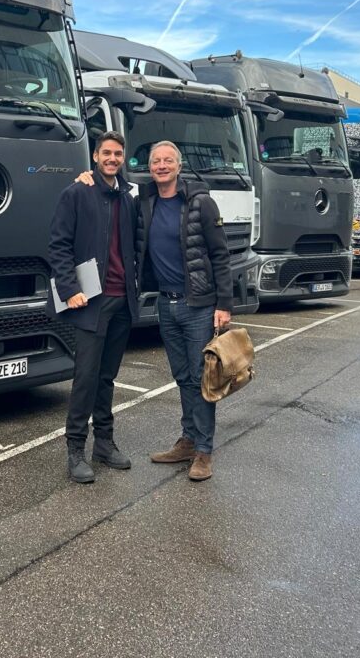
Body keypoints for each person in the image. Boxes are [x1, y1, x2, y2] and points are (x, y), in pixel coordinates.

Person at [138, 141, 232, 481]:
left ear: (179, 166)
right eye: (156, 161)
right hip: (166, 303)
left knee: (201, 379)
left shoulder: (200, 203)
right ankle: (188, 440)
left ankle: (204, 451)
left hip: (198, 306)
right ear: (150, 167)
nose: (161, 166)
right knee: (182, 378)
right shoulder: (145, 201)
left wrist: (224, 304)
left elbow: (221, 255)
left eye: (168, 161)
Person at [48, 131, 139, 483]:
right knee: (85, 378)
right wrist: (69, 289)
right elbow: (58, 245)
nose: (112, 158)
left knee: (107, 377)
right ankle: (75, 450)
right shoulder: (77, 193)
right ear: (96, 156)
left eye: (118, 154)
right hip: (90, 302)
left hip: (122, 301)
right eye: (106, 153)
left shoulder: (128, 197)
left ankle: (104, 442)